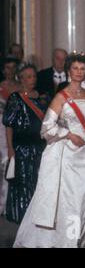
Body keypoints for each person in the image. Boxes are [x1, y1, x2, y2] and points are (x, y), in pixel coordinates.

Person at [14, 53, 85, 248]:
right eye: (75, 69)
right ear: (68, 71)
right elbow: (46, 127)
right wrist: (69, 135)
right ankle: (69, 240)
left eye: (82, 69)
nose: (79, 72)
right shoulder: (61, 96)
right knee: (71, 199)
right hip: (69, 154)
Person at [2, 63, 50, 224]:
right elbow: (9, 125)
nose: (32, 79)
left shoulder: (43, 97)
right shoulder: (15, 98)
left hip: (40, 147)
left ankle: (38, 217)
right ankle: (23, 218)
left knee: (39, 181)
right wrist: (10, 148)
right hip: (22, 148)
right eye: (28, 77)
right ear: (21, 79)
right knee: (23, 183)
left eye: (34, 76)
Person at [0, 57, 21, 216]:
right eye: (8, 67)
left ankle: (7, 203)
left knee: (10, 162)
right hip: (0, 127)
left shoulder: (21, 88)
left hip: (15, 129)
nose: (10, 71)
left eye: (13, 67)